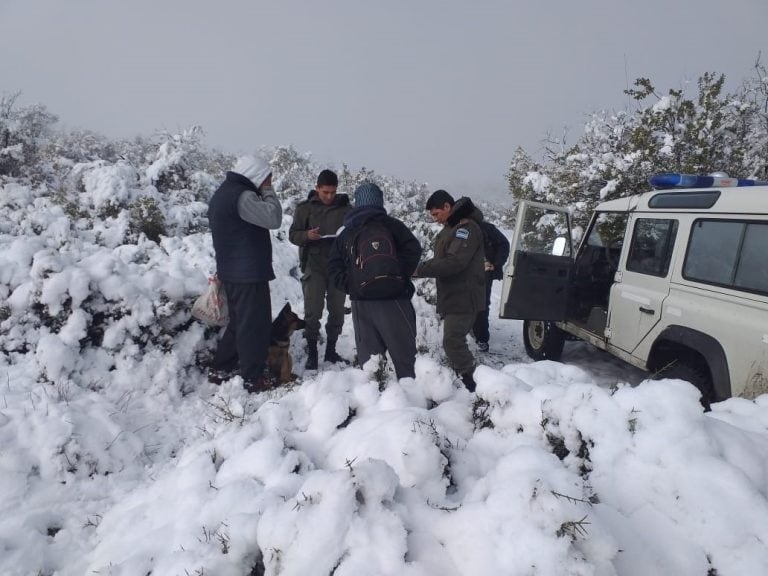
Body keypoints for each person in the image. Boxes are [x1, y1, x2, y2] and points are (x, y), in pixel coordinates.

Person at [328, 181, 422, 379]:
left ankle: (374, 400)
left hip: (362, 303)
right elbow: (413, 250)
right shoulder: (393, 226)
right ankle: (413, 399)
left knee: (370, 362)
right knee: (405, 357)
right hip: (396, 300)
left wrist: (352, 285)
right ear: (379, 202)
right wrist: (399, 276)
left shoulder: (347, 232)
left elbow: (333, 267)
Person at [207, 155, 282, 393]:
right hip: (248, 273)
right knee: (255, 326)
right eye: (266, 178)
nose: (268, 182)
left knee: (240, 323)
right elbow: (273, 218)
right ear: (256, 175)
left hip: (233, 271)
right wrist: (268, 192)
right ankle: (253, 377)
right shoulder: (243, 196)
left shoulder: (223, 193)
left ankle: (221, 367)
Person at [414, 189, 485, 391]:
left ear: (447, 206)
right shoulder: (451, 227)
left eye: (437, 214)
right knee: (454, 340)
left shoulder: (466, 228)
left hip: (464, 296)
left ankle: (474, 385)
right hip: (454, 295)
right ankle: (468, 379)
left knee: (452, 341)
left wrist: (419, 269)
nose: (436, 220)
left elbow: (455, 263)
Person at [289, 169, 351, 369]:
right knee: (312, 311)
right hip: (313, 266)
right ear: (317, 189)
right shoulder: (304, 209)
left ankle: (331, 351)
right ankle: (313, 352)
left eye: (333, 192)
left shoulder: (346, 210)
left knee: (337, 312)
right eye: (325, 192)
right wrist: (307, 235)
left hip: (338, 267)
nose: (329, 196)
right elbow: (293, 235)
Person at [473, 215, 510, 352]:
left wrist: (496, 263)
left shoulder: (486, 228)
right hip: (466, 273)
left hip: (484, 273)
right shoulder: (459, 227)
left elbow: (504, 244)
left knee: (481, 305)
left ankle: (482, 338)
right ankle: (476, 335)